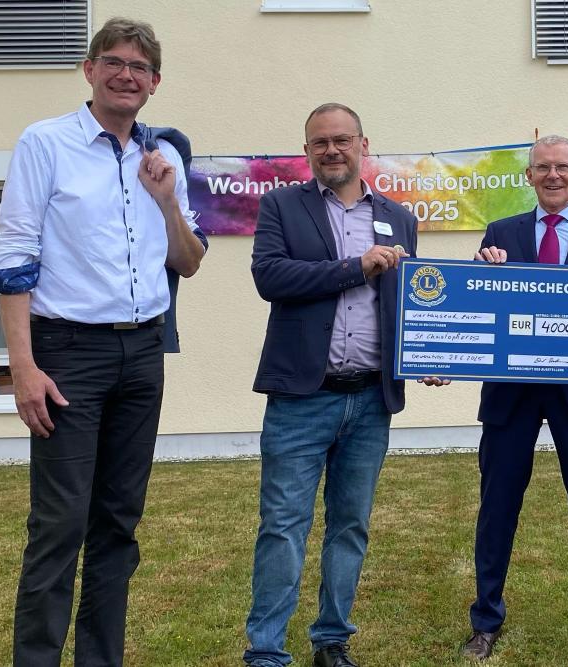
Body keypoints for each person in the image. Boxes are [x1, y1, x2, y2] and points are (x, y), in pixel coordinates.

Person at [0, 17, 205, 666]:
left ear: (154, 82)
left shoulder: (164, 155)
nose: (126, 75)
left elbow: (189, 261)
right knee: (59, 524)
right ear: (90, 69)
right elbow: (14, 257)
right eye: (114, 62)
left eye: (140, 68)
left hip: (143, 354)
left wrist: (166, 201)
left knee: (118, 524)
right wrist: (22, 366)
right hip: (68, 354)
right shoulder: (45, 142)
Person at [244, 103, 418, 667]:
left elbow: (406, 303)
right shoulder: (281, 206)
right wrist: (354, 267)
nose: (332, 150)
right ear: (307, 151)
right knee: (282, 527)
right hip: (302, 397)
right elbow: (270, 276)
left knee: (350, 527)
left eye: (342, 140)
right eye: (320, 142)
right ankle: (266, 651)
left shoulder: (398, 218)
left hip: (371, 400)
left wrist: (422, 354)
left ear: (364, 145)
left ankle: (332, 641)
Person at [462, 135, 568, 667]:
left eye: (562, 167)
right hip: (512, 394)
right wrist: (483, 274)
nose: (553, 175)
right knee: (496, 509)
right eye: (543, 167)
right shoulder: (501, 233)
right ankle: (485, 622)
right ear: (529, 176)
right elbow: (481, 305)